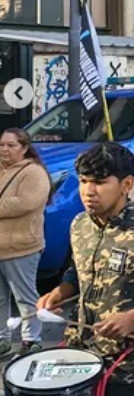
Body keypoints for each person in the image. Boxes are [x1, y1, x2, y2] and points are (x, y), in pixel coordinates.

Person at [37, 143, 134, 395]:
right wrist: (59, 292)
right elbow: (77, 269)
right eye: (83, 181)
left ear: (126, 185)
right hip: (80, 357)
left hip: (131, 369)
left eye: (100, 182)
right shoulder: (80, 224)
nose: (88, 191)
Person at [0, 128, 51, 357]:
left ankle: (32, 339)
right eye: (2, 145)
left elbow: (26, 202)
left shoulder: (34, 172)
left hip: (21, 246)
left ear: (24, 147)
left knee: (25, 296)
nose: (5, 150)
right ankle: (2, 339)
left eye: (11, 145)